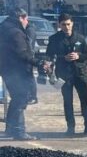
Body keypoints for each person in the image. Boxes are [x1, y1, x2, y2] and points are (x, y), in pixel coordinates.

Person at [46, 13, 87, 136]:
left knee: (85, 100)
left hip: (79, 73)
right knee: (68, 101)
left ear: (72, 24)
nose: (66, 27)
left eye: (68, 24)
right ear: (59, 25)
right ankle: (70, 128)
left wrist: (78, 56)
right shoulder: (54, 39)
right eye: (63, 25)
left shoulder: (80, 38)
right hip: (64, 74)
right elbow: (49, 56)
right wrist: (62, 58)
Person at [0, 8, 51, 140]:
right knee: (21, 99)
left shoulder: (3, 29)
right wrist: (38, 62)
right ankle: (19, 131)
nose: (27, 22)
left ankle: (10, 129)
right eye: (26, 19)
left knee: (15, 99)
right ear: (20, 18)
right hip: (17, 70)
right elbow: (23, 53)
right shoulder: (16, 33)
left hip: (6, 69)